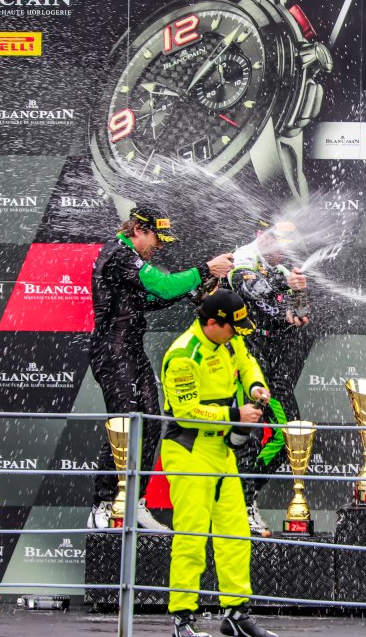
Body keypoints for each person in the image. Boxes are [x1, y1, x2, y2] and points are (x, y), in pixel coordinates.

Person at [87, 205, 234, 531]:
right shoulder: (119, 255)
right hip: (112, 351)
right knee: (124, 424)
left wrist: (197, 286)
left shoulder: (129, 258)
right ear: (139, 230)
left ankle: (135, 500)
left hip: (131, 350)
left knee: (151, 422)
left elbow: (151, 299)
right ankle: (103, 503)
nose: (160, 247)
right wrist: (205, 269)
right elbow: (164, 286)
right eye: (158, 239)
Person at [161, 289, 277, 637]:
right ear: (212, 323)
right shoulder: (183, 355)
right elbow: (186, 412)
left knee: (235, 534)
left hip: (222, 451)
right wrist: (235, 415)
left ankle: (236, 615)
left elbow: (247, 362)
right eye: (232, 329)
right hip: (189, 450)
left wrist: (256, 387)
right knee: (192, 537)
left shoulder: (230, 339)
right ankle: (182, 620)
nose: (237, 336)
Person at [228, 219, 316, 536]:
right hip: (246, 357)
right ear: (261, 236)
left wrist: (299, 299)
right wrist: (285, 285)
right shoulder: (243, 259)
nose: (283, 252)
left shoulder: (280, 270)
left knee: (289, 435)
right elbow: (251, 290)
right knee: (248, 436)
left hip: (275, 360)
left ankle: (244, 495)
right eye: (279, 244)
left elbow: (296, 314)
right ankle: (240, 505)